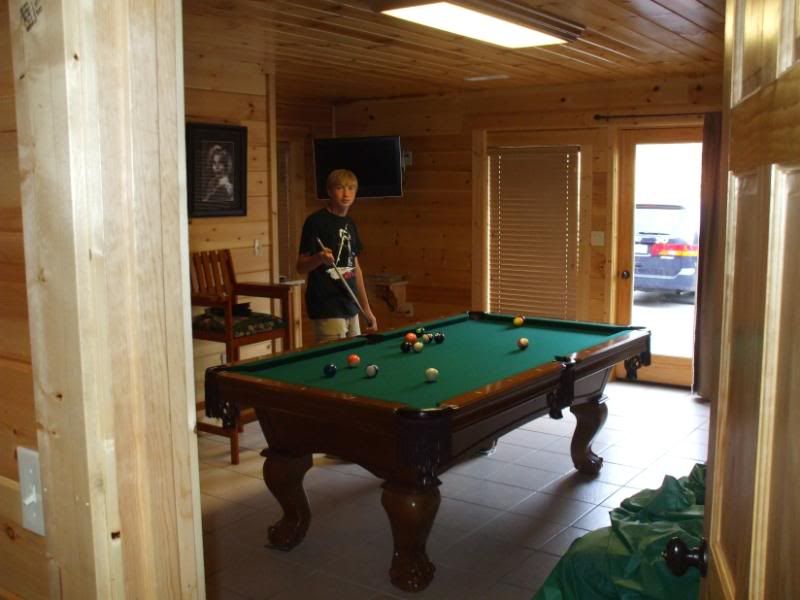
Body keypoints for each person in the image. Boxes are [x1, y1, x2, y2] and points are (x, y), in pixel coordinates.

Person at [297, 169, 377, 344]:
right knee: (333, 361)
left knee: (354, 357)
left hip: (351, 305)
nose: (346, 193)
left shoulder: (350, 224)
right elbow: (301, 267)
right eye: (340, 188)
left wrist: (367, 310)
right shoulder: (315, 222)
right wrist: (319, 258)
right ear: (329, 191)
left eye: (351, 188)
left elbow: (356, 269)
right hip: (326, 306)